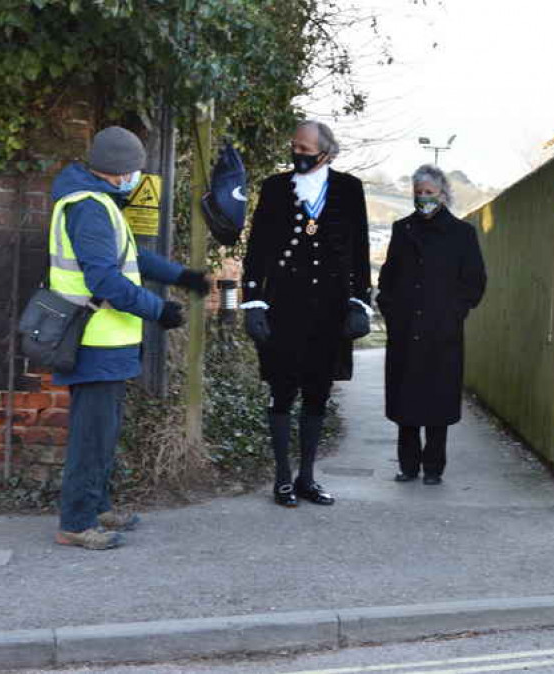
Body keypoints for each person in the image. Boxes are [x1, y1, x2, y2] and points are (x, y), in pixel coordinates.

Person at [51, 126, 211, 550]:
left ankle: (97, 505)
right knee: (91, 435)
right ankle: (77, 521)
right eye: (136, 169)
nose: (137, 177)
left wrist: (182, 277)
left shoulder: (101, 202)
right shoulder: (88, 207)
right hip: (93, 341)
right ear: (120, 170)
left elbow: (132, 258)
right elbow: (103, 278)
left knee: (104, 432)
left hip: (109, 341)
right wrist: (158, 309)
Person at [241, 120, 372, 507]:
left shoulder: (349, 189)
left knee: (318, 393)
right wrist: (253, 301)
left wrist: (359, 301)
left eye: (304, 148)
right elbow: (257, 249)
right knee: (282, 392)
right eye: (294, 146)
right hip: (283, 305)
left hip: (329, 309)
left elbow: (360, 249)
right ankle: (282, 478)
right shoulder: (275, 188)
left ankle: (307, 479)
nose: (297, 153)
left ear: (326, 152)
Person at [376, 165, 486, 485]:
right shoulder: (402, 229)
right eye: (418, 193)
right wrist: (392, 311)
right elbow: (388, 277)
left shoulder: (462, 234)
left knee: (438, 401)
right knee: (406, 401)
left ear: (443, 195)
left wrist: (454, 313)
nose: (423, 198)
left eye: (429, 193)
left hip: (443, 332)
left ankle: (434, 467)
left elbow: (474, 282)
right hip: (406, 330)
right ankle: (408, 466)